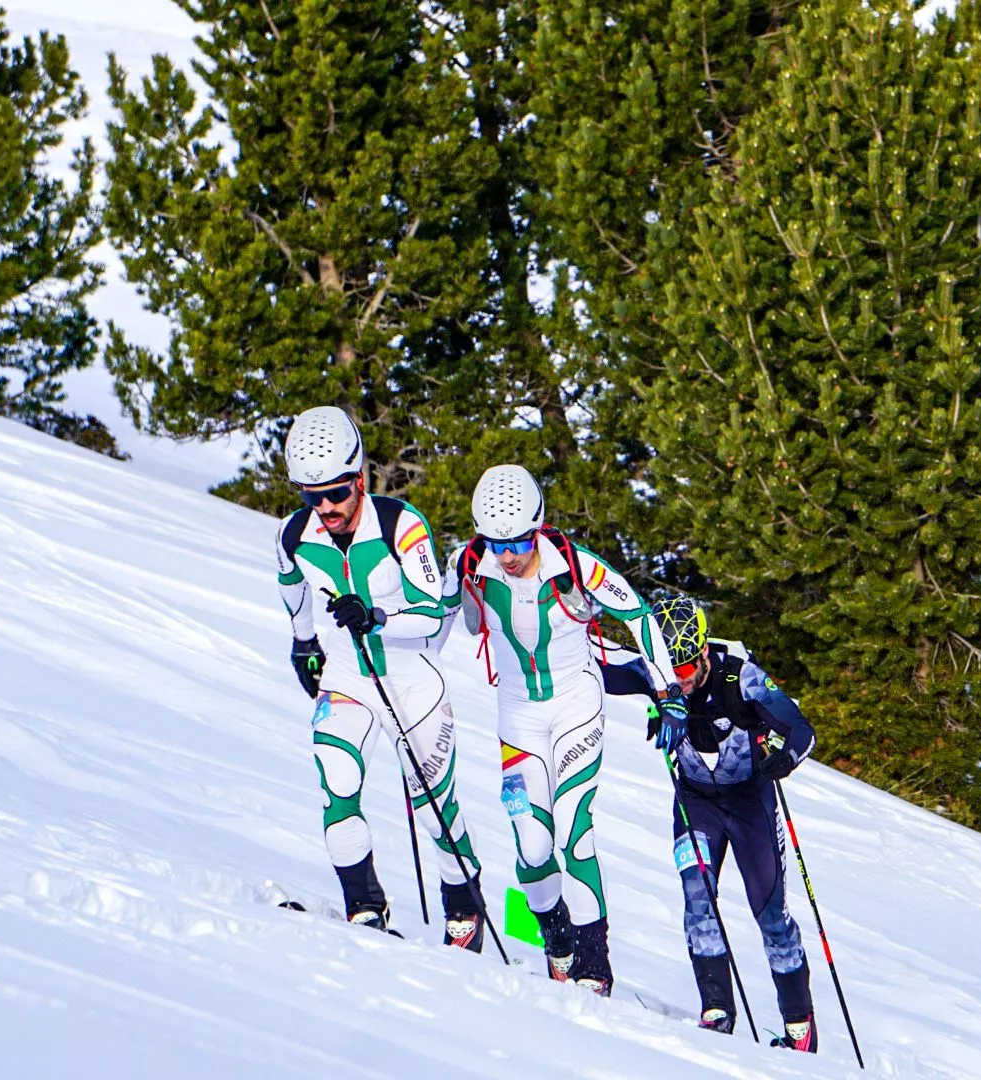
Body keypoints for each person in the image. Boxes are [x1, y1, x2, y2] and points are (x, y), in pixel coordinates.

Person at [438, 464, 681, 995]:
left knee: (574, 832)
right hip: (518, 716)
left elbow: (639, 616)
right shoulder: (469, 563)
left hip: (576, 705)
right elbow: (435, 622)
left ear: (539, 525)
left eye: (519, 539)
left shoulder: (573, 564)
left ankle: (595, 966)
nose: (507, 553)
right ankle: (558, 942)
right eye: (496, 541)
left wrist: (667, 693)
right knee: (532, 843)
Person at [275, 405, 487, 949]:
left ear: (360, 478)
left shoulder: (401, 524)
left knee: (435, 810)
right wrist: (304, 642)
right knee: (337, 782)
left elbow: (431, 614)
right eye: (310, 495)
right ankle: (364, 908)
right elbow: (292, 586)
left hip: (411, 682)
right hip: (349, 676)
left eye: (337, 493)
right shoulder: (293, 534)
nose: (325, 508)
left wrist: (377, 616)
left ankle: (463, 906)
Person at [604, 593, 819, 1052]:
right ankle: (717, 1010)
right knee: (697, 897)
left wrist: (783, 758)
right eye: (668, 670)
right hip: (695, 801)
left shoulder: (739, 675)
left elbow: (802, 730)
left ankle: (799, 1026)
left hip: (748, 802)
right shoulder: (657, 671)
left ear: (702, 653)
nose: (676, 681)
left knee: (771, 915)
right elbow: (600, 668)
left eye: (684, 670)